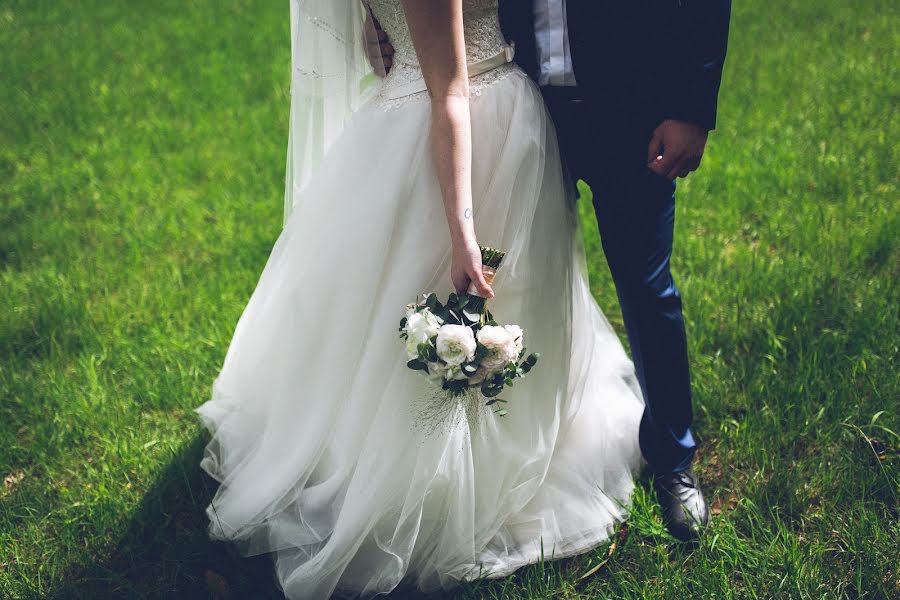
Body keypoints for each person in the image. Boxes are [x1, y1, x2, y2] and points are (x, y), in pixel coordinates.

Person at [195, 1, 685, 598]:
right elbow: (449, 91)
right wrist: (461, 232)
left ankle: (503, 444)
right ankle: (438, 484)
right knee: (447, 308)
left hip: (460, 117)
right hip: (464, 133)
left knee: (496, 306)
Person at [376, 0, 733, 541]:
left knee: (645, 286)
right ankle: (531, 449)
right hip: (523, 107)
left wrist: (691, 106)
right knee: (528, 281)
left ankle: (672, 458)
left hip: (634, 105)